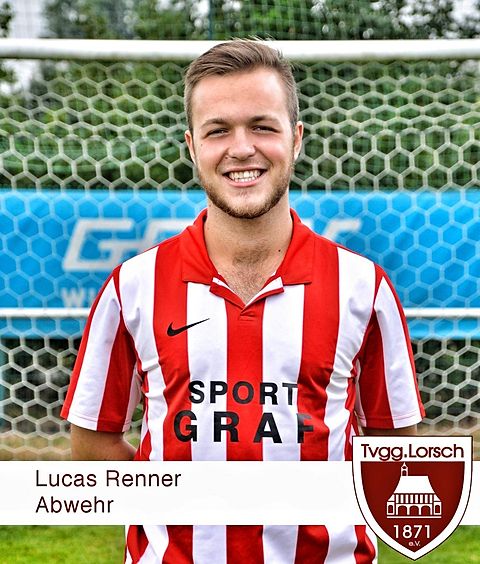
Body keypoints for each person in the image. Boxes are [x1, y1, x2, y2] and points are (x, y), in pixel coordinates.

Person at [62, 39, 425, 563]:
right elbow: (92, 448)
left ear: (296, 139)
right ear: (192, 147)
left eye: (262, 126)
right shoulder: (132, 286)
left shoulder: (363, 287)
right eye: (218, 130)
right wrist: (175, 511)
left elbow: (398, 453)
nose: (241, 148)